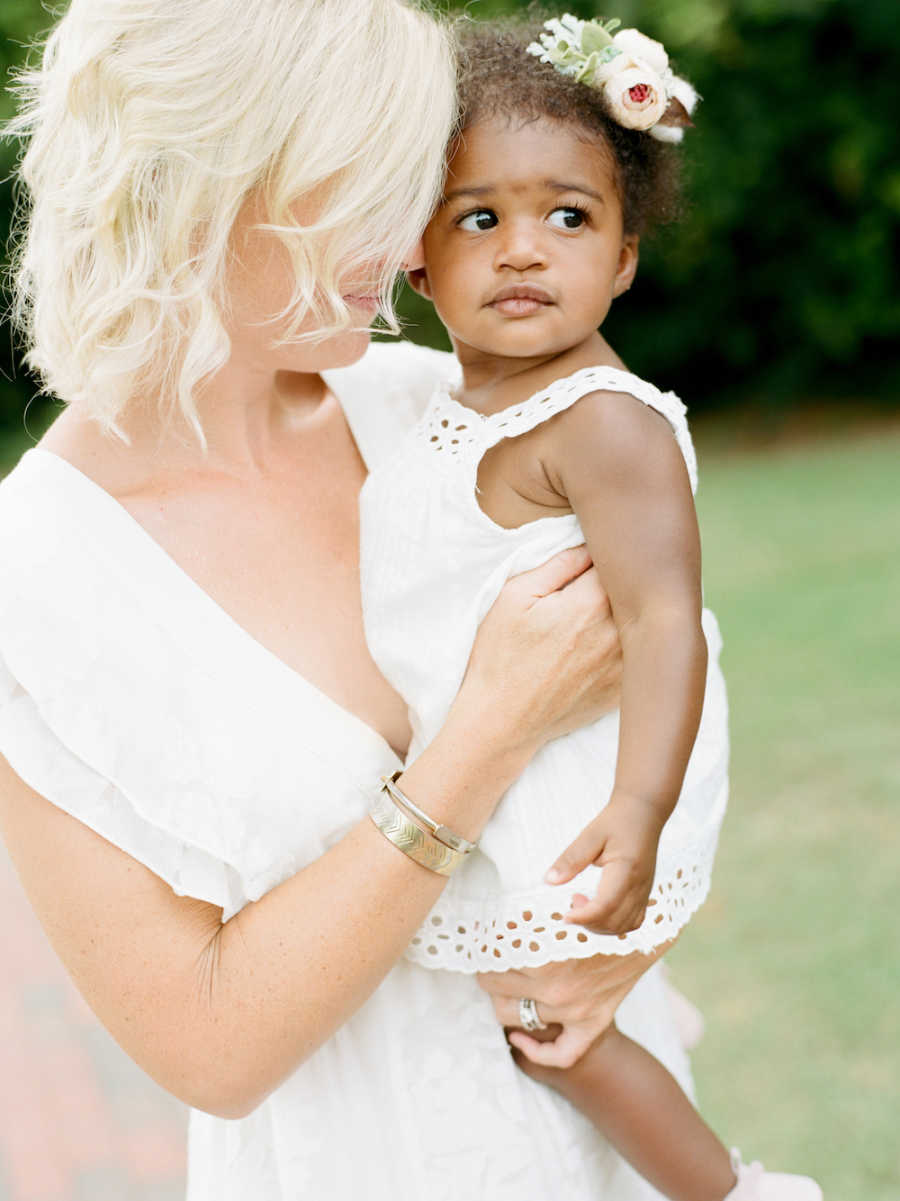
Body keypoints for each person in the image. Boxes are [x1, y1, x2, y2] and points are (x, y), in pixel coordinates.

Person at [1, 2, 700, 1199]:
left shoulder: (439, 405)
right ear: (210, 189)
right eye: (369, 182)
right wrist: (484, 735)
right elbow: (208, 1048)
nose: (410, 228)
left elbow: (664, 673)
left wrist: (643, 927)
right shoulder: (40, 576)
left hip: (607, 1128)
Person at [359, 14, 822, 1201]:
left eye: (569, 216)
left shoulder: (602, 422)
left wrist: (640, 807)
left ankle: (730, 1191)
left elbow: (665, 618)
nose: (524, 250)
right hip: (524, 764)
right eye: (481, 218)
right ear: (419, 259)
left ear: (623, 256)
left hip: (586, 786)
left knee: (552, 1028)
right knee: (534, 1021)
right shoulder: (451, 407)